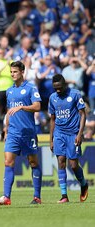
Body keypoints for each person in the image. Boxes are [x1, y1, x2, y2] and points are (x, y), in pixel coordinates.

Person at [0, 61, 42, 205]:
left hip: (28, 132)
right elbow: (10, 112)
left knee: (33, 162)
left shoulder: (30, 88)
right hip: (13, 133)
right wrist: (6, 129)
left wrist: (22, 106)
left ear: (22, 72)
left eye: (15, 71)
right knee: (8, 162)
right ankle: (6, 197)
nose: (12, 74)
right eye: (11, 72)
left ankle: (36, 197)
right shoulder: (9, 91)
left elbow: (37, 106)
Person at [49, 74, 88, 203]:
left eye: (60, 87)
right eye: (55, 88)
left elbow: (82, 114)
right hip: (59, 133)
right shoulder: (53, 98)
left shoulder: (75, 94)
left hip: (73, 133)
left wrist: (80, 133)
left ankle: (83, 183)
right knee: (60, 160)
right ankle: (64, 195)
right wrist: (51, 139)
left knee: (73, 165)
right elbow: (53, 119)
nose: (58, 90)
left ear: (65, 84)